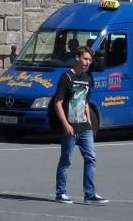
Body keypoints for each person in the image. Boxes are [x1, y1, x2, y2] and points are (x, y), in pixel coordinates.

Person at [52, 46, 108, 206]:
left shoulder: (87, 78)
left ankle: (89, 194)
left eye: (89, 60)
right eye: (85, 59)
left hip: (84, 127)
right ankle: (60, 193)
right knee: (66, 161)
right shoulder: (66, 78)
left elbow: (85, 102)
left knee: (91, 158)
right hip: (70, 127)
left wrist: (90, 124)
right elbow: (58, 102)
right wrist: (65, 124)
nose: (87, 62)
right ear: (77, 57)